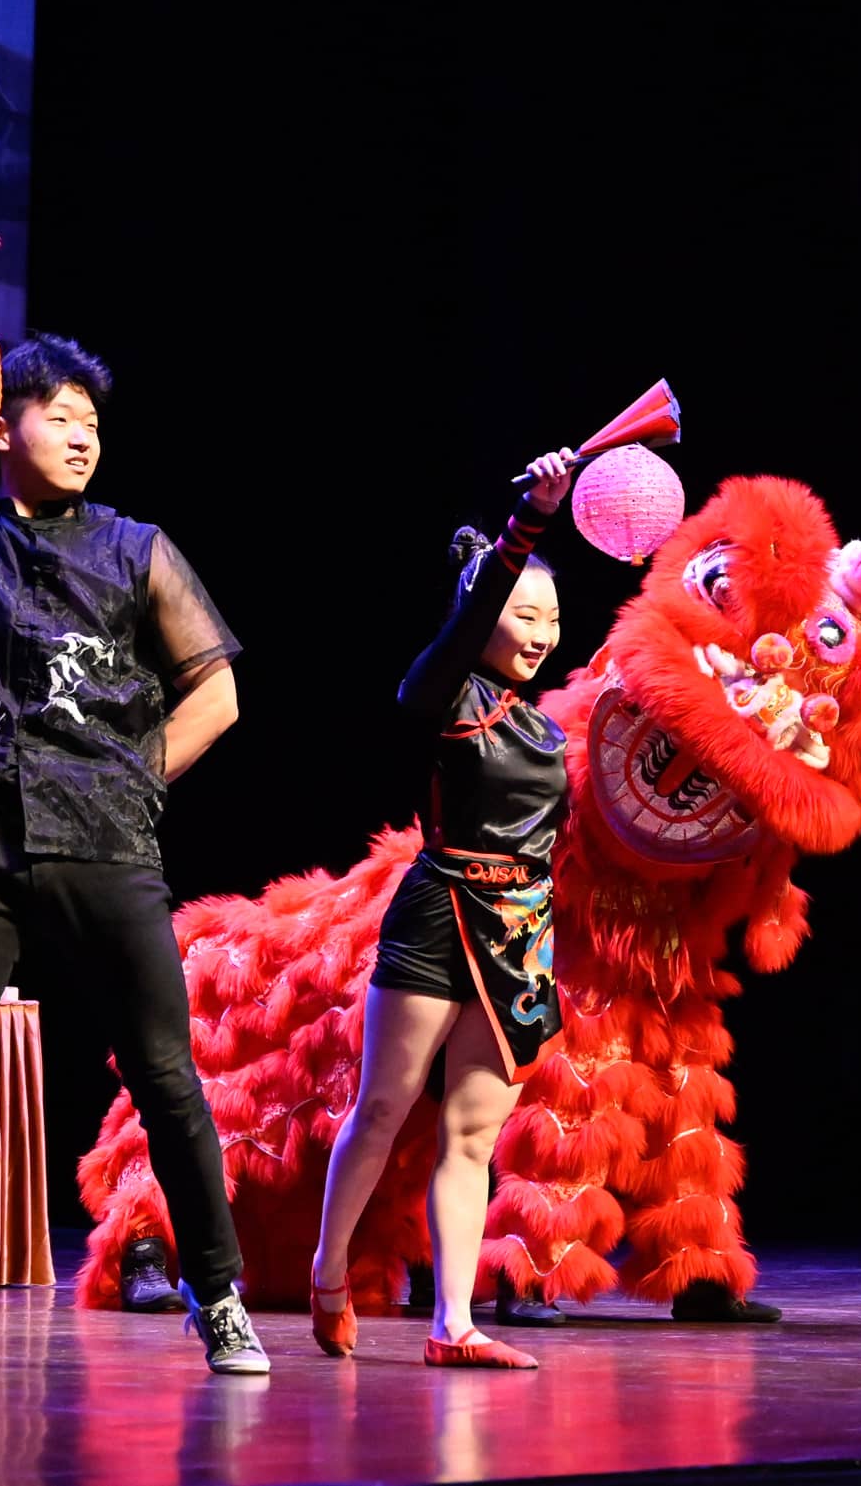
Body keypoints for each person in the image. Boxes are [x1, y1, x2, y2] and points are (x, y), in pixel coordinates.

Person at [0, 276, 267, 1378]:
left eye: (92, 421)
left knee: (165, 1075)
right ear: (0, 426)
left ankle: (218, 1297)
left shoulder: (133, 547)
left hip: (106, 838)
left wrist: (133, 776)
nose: (80, 434)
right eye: (58, 415)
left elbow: (216, 687)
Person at [308, 449, 574, 1370]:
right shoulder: (445, 695)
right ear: (480, 614)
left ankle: (452, 1322)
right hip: (439, 911)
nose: (540, 633)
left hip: (522, 936)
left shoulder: (548, 726)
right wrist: (528, 524)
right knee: (382, 1108)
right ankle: (329, 1270)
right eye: (521, 614)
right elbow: (459, 637)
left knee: (473, 1133)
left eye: (551, 617)